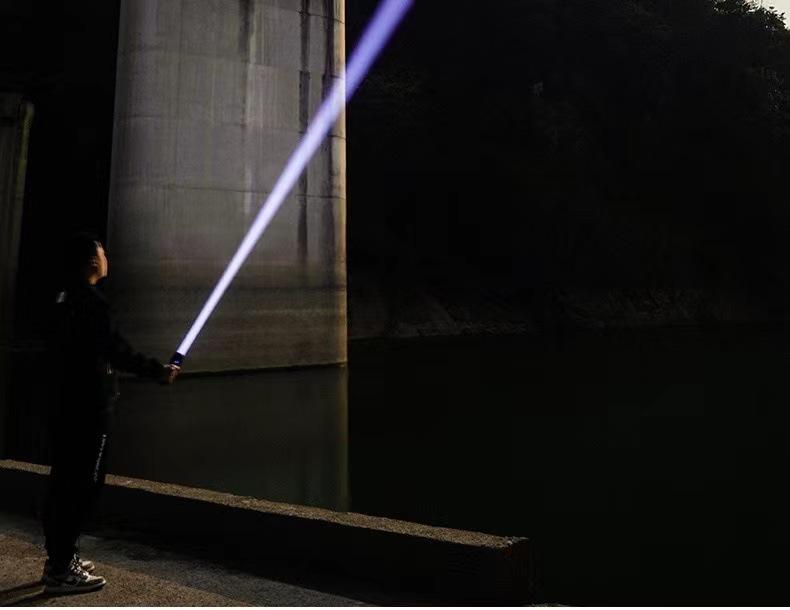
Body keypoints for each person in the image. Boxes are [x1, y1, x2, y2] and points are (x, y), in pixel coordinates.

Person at [41, 233, 180, 593]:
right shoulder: (93, 303)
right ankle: (61, 571)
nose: (106, 257)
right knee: (83, 488)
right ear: (92, 261)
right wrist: (158, 372)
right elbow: (118, 351)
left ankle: (60, 556)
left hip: (62, 407)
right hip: (88, 411)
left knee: (63, 483)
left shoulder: (63, 298)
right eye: (102, 252)